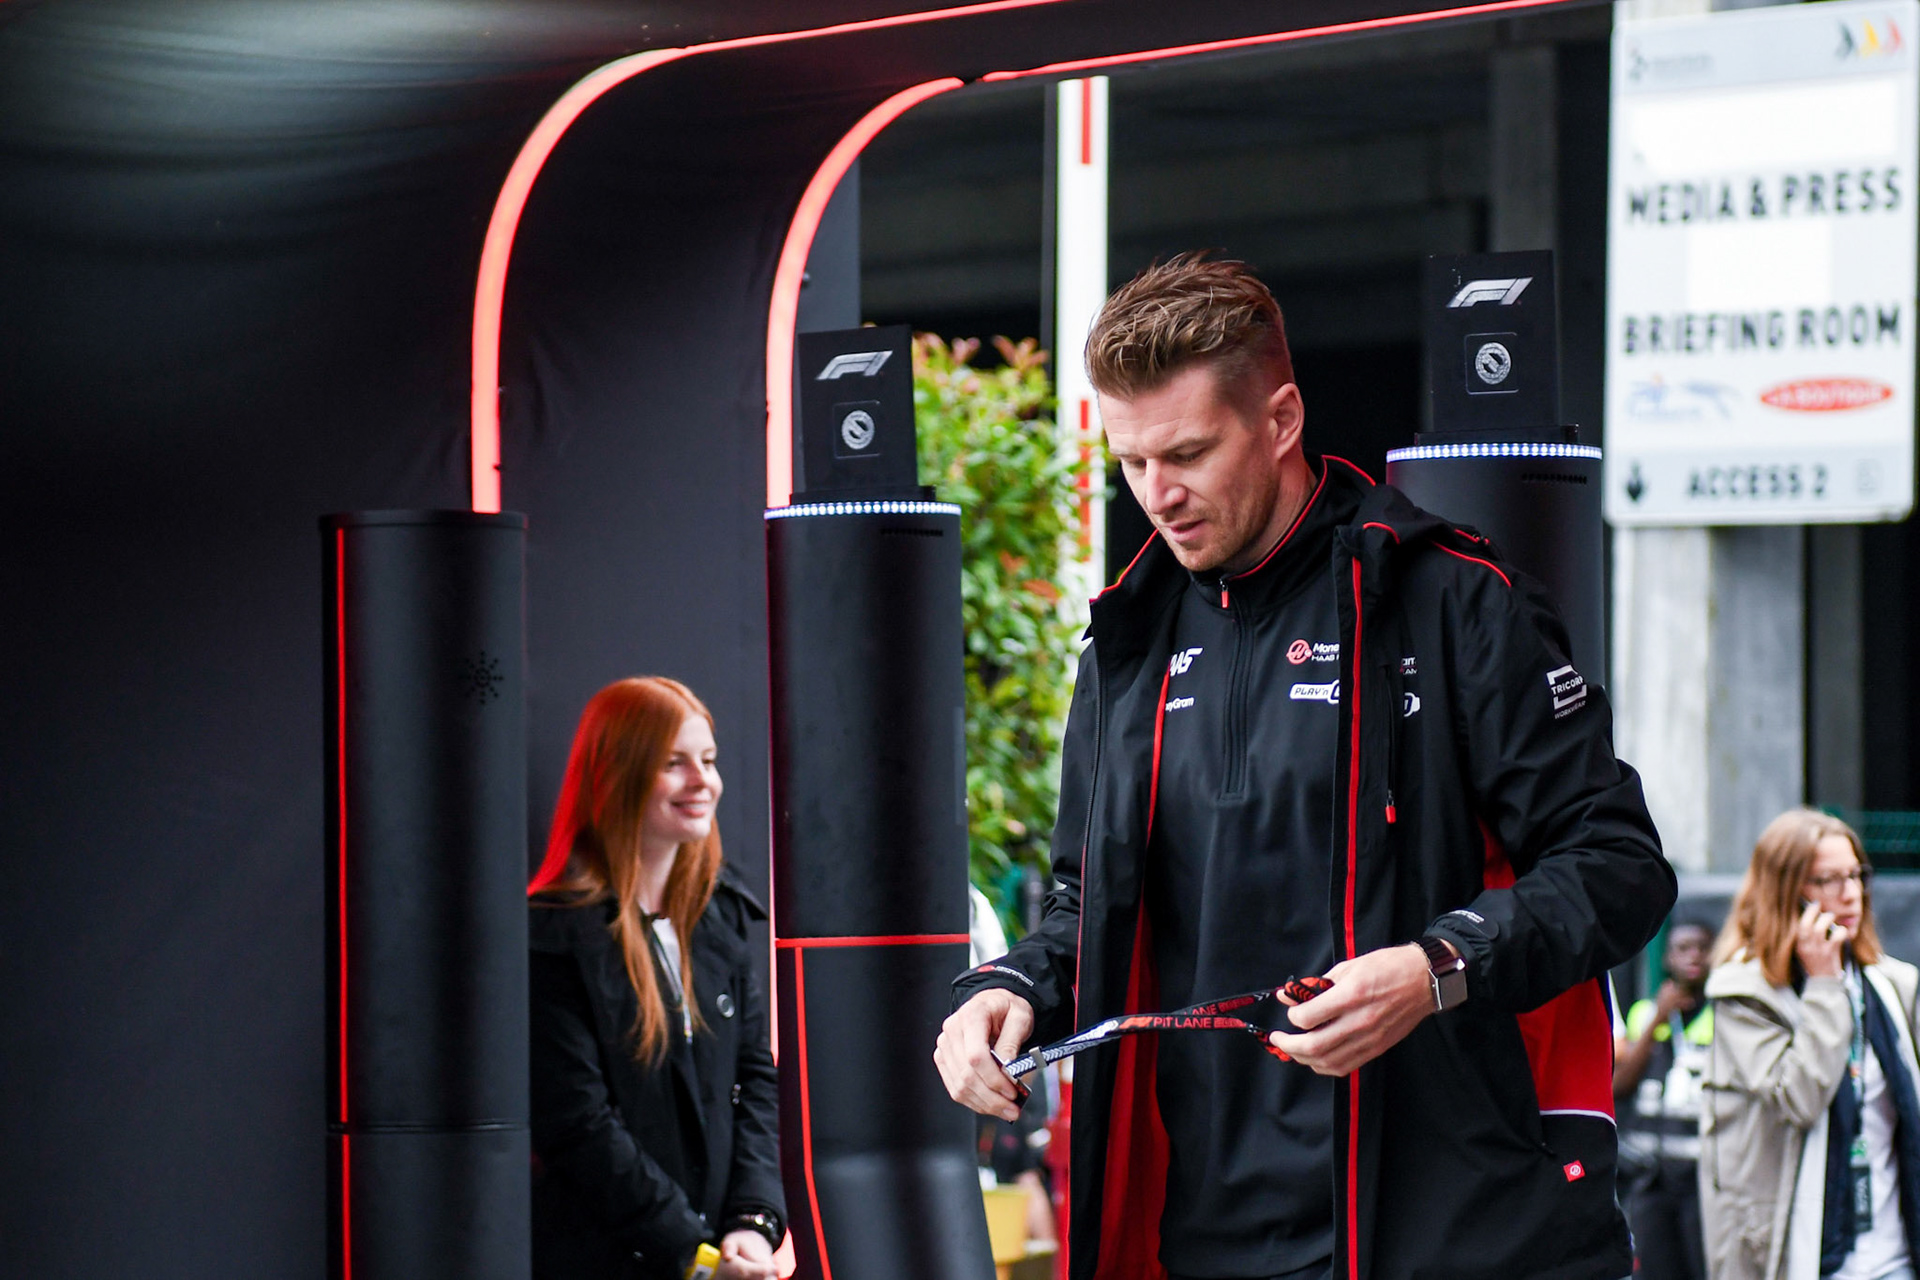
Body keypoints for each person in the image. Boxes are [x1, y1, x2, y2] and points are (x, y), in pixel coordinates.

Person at [933, 252, 1674, 1280]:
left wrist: (1434, 968)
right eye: (1133, 461)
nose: (1159, 493)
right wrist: (1006, 985)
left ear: (1280, 420)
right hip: (1201, 1233)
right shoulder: (1128, 640)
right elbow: (1081, 902)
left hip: (1441, 1228)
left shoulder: (1447, 597)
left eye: (1189, 452)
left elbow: (1619, 861)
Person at [527, 677, 784, 1280]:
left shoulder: (720, 917)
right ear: (616, 775)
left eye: (709, 760)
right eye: (674, 763)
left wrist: (752, 1221)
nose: (702, 781)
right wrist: (694, 1254)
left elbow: (755, 1078)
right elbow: (578, 1124)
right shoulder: (554, 933)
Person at [1700, 809, 1920, 1280]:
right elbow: (1798, 1097)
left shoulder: (1894, 986)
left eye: (1857, 875)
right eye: (1829, 879)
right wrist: (1824, 986)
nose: (1851, 893)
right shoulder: (1745, 995)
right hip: (1801, 1257)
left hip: (1895, 1255)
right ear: (1789, 891)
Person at [1615, 913, 1718, 1280]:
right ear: (1667, 958)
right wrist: (1659, 1018)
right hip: (1649, 1177)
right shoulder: (1645, 1014)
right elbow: (1620, 1085)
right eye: (1682, 948)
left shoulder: (1723, 1017)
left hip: (1700, 1180)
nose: (1693, 957)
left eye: (1703, 948)